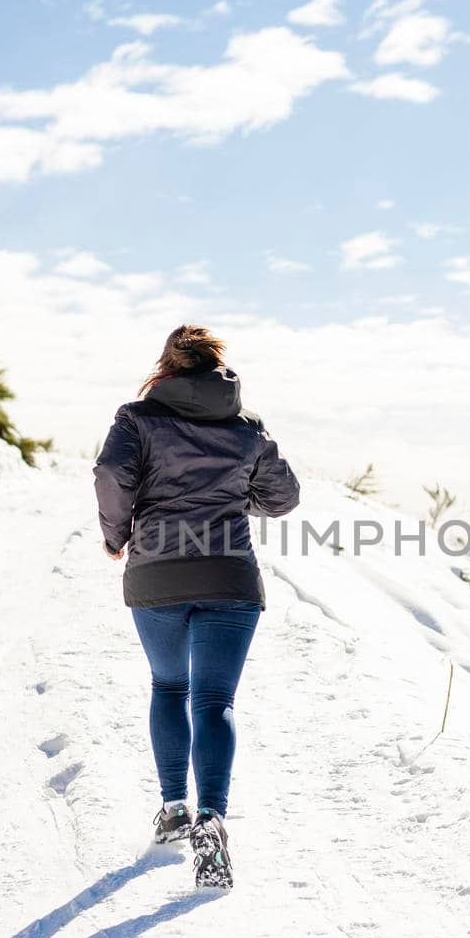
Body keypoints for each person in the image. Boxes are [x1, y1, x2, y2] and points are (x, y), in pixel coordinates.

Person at [94, 324, 300, 888]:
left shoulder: (135, 420)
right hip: (229, 576)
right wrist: (235, 493)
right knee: (215, 698)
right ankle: (212, 816)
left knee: (169, 687)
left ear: (165, 366)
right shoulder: (246, 428)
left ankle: (173, 809)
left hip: (156, 573)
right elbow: (283, 498)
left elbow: (112, 474)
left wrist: (116, 536)